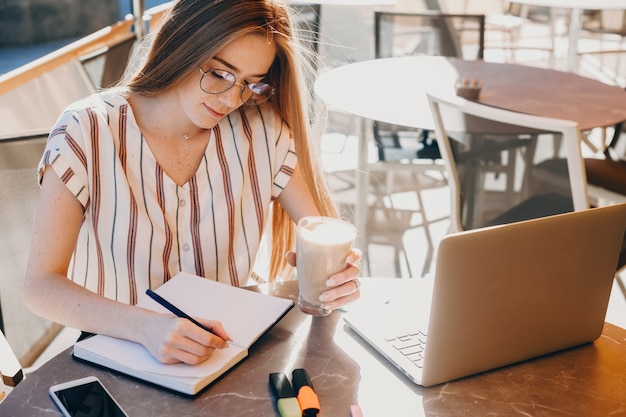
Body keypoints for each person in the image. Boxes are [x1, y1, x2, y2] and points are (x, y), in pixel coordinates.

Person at [23, 0, 361, 366]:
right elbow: (40, 286)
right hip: (117, 356)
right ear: (182, 46)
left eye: (250, 84)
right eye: (219, 73)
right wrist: (146, 328)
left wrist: (340, 276)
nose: (232, 99)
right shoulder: (86, 129)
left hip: (226, 357)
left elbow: (321, 230)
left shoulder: (263, 133)